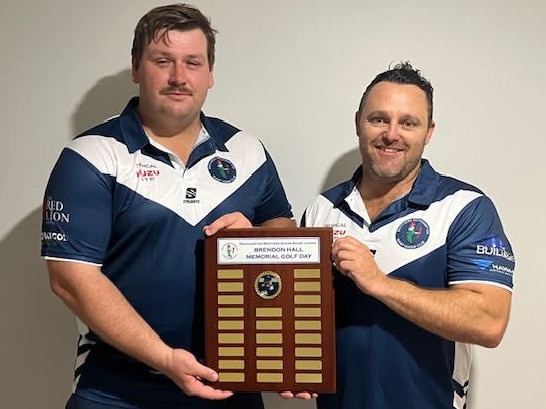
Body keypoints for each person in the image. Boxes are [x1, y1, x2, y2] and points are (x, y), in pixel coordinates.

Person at [40, 4, 295, 409]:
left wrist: (258, 238)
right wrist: (164, 358)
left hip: (231, 386)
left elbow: (286, 235)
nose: (179, 76)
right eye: (163, 61)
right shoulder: (91, 156)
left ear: (210, 74)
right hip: (116, 391)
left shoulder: (249, 151)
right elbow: (70, 279)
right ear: (137, 68)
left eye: (192, 62)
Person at [299, 62, 514, 409]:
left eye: (408, 123)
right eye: (379, 119)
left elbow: (489, 322)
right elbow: (302, 315)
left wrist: (379, 282)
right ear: (358, 123)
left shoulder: (465, 208)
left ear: (428, 132)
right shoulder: (323, 209)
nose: (391, 134)